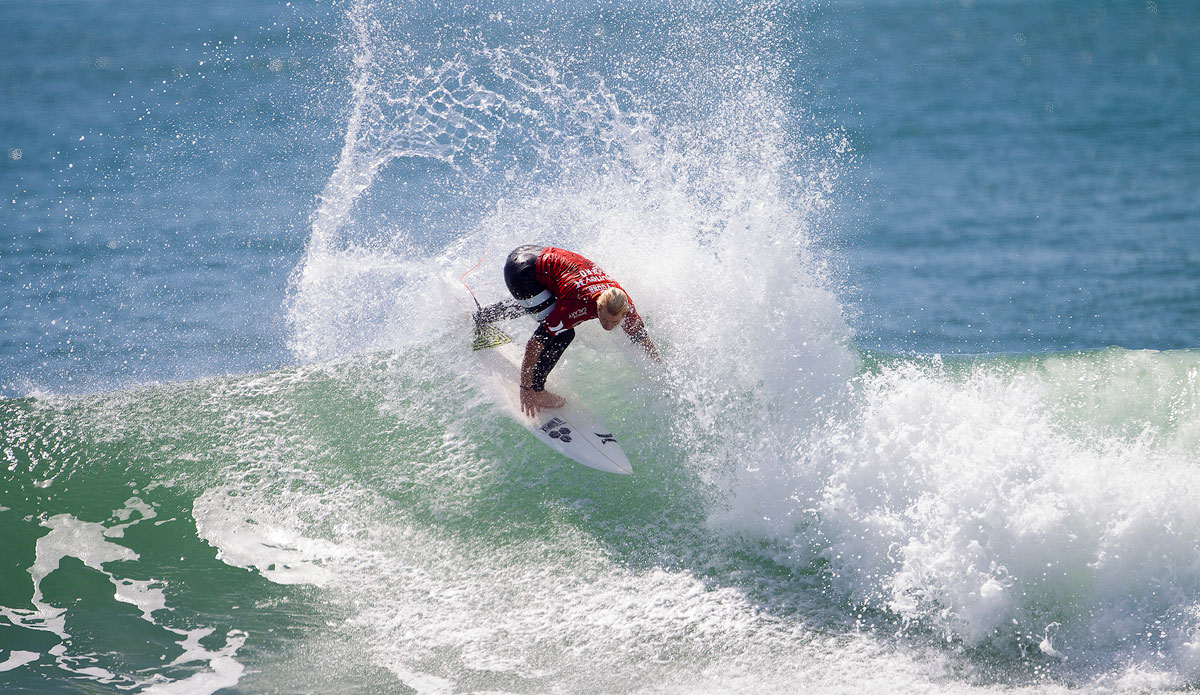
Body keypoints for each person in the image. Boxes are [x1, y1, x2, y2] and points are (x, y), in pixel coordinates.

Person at [475, 245, 660, 416]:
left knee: (542, 305)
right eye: (604, 319)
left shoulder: (625, 306)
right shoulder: (577, 304)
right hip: (522, 271)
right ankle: (538, 391)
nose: (608, 326)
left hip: (536, 257)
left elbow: (640, 337)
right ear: (598, 306)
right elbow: (535, 343)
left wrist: (658, 367)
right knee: (564, 333)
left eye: (614, 322)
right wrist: (525, 388)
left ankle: (484, 316)